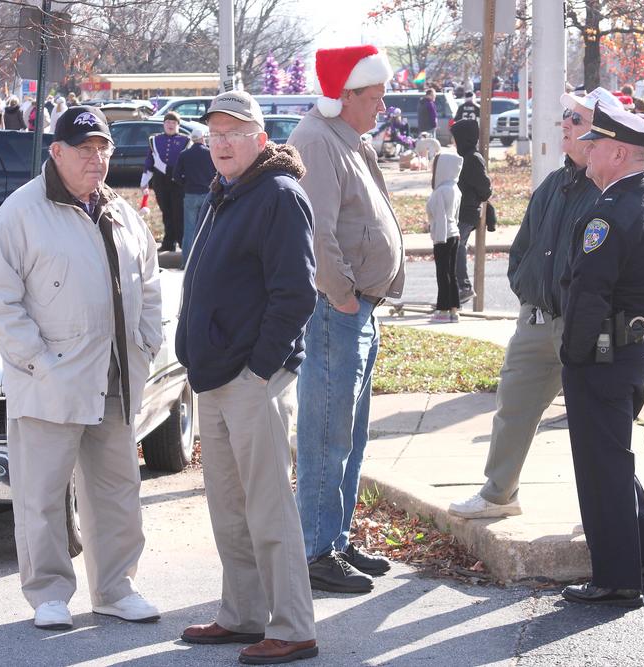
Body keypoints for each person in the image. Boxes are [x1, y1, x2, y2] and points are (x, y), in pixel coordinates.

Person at [0, 106, 163, 630]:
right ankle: (49, 593)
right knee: (42, 493)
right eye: (84, 150)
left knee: (117, 492)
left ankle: (115, 588)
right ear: (56, 153)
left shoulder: (121, 213)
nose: (95, 160)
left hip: (115, 380)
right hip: (49, 381)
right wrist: (36, 360)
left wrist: (146, 341)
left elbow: (148, 284)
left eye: (102, 149)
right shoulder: (21, 212)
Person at [176, 90, 319, 666]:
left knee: (267, 508)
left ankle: (293, 626)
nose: (223, 143)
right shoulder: (226, 193)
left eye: (235, 132)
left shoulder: (279, 196)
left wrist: (261, 369)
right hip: (214, 376)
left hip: (251, 378)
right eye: (214, 134)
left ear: (261, 139)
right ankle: (243, 613)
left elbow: (296, 294)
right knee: (228, 505)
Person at [448, 88, 621, 519]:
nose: (565, 123)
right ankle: (499, 495)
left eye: (575, 120)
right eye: (565, 115)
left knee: (597, 424)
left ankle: (609, 513)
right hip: (535, 322)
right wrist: (526, 289)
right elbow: (523, 246)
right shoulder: (554, 183)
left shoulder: (613, 192)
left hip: (584, 328)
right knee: (513, 406)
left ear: (602, 135)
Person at [559, 102, 644, 607]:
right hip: (633, 350)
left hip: (602, 355)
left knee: (599, 467)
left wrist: (572, 356)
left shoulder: (609, 213)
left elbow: (589, 294)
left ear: (617, 153)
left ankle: (616, 578)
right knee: (612, 456)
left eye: (594, 146)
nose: (586, 153)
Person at [288, 44, 404, 594]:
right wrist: (341, 297)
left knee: (349, 436)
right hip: (337, 310)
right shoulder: (316, 138)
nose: (382, 106)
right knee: (325, 436)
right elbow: (316, 232)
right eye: (375, 97)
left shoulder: (345, 137)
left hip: (356, 309)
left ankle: (334, 538)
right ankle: (314, 549)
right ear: (346, 95)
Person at [450, 118, 492, 304]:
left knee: (457, 246)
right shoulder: (466, 158)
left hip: (468, 211)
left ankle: (464, 286)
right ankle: (459, 286)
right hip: (461, 209)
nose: (453, 142)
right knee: (455, 246)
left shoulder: (473, 159)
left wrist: (481, 197)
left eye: (455, 138)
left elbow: (484, 187)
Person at [141, 111, 189, 252]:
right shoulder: (155, 140)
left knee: (178, 213)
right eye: (168, 122)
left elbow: (187, 162)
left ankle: (181, 241)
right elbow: (149, 161)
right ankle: (169, 243)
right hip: (160, 180)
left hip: (178, 181)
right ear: (164, 124)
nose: (170, 125)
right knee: (166, 212)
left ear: (178, 125)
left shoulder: (185, 141)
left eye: (173, 123)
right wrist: (144, 182)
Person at [427, 152, 463, 323]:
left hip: (443, 236)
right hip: (454, 233)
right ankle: (454, 309)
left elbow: (440, 217)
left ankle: (442, 309)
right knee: (452, 273)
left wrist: (438, 238)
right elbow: (455, 216)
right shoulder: (455, 188)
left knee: (442, 274)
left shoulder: (441, 191)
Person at [171, 127, 216, 263]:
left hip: (190, 194)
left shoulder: (185, 154)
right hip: (207, 194)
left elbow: (176, 176)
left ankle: (187, 262)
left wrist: (185, 183)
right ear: (203, 138)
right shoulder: (210, 153)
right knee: (206, 229)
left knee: (189, 230)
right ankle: (204, 262)